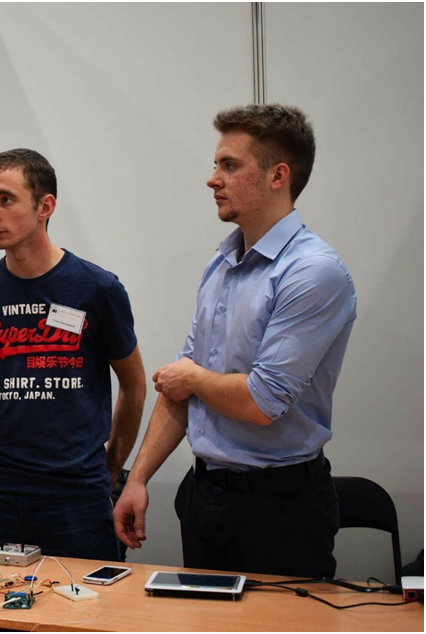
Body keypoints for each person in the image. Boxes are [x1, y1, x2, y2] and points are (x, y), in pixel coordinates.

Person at [113, 104, 356, 578]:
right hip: (206, 497)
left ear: (277, 176)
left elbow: (262, 401)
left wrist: (192, 378)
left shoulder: (312, 272)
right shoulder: (223, 263)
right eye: (216, 165)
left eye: (229, 165)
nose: (213, 179)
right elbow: (180, 386)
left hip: (279, 507)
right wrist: (136, 479)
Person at [0, 149, 145, 561]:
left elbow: (134, 385)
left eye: (5, 200)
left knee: (85, 600)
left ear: (45, 207)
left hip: (75, 493)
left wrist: (111, 472)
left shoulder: (97, 289)